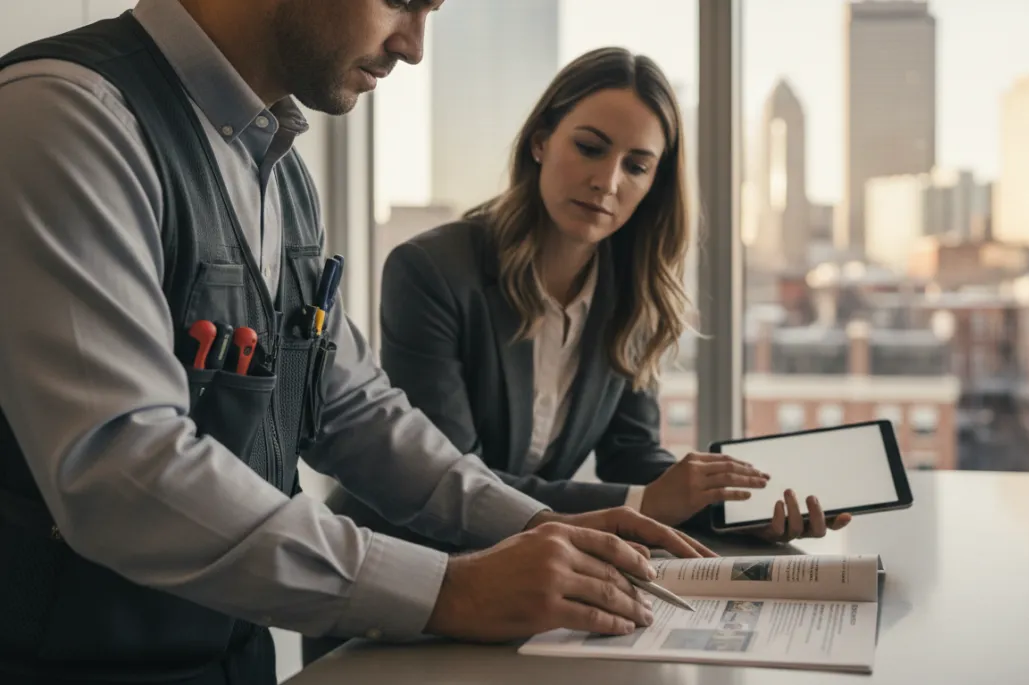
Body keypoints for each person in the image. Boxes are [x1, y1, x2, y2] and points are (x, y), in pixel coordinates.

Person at [0, 2, 713, 684]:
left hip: (236, 660)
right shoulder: (66, 116)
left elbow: (356, 412)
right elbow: (121, 467)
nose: (413, 46)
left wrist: (545, 525)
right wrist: (448, 589)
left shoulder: (280, 174)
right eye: (401, 0)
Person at [320, 48, 851, 561]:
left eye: (637, 166)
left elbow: (633, 455)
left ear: (653, 186)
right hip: (401, 569)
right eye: (591, 148)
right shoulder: (430, 270)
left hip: (528, 574)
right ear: (540, 141)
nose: (607, 181)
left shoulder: (633, 294)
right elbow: (453, 478)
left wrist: (735, 507)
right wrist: (645, 504)